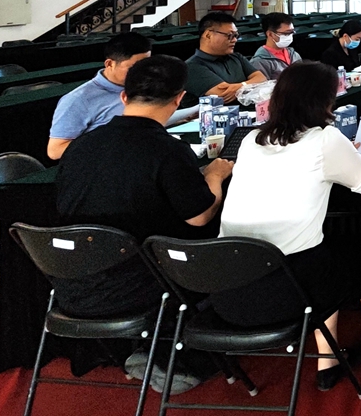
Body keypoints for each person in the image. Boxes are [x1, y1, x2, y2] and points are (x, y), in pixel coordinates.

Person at [216, 61, 361, 390]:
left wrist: (343, 155)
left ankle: (326, 361)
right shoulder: (324, 140)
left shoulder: (251, 139)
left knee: (322, 255)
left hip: (230, 290)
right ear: (325, 101)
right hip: (290, 291)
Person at [54, 55, 231, 320]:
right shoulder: (169, 150)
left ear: (124, 97)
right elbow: (200, 217)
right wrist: (215, 176)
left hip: (73, 283)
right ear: (179, 99)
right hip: (144, 282)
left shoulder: (80, 145)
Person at [47, 32, 153, 159]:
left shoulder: (144, 85)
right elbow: (55, 151)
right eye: (133, 68)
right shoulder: (79, 99)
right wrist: (109, 141)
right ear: (110, 64)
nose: (142, 73)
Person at [184, 12, 263, 101]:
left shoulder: (236, 57)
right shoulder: (192, 66)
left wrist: (241, 85)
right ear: (208, 35)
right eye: (230, 35)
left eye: (236, 35)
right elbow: (223, 94)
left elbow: (261, 78)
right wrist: (251, 84)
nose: (235, 40)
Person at [249, 12, 301, 81]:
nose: (290, 36)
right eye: (286, 33)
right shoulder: (259, 61)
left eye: (292, 32)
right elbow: (261, 86)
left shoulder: (293, 54)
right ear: (270, 34)